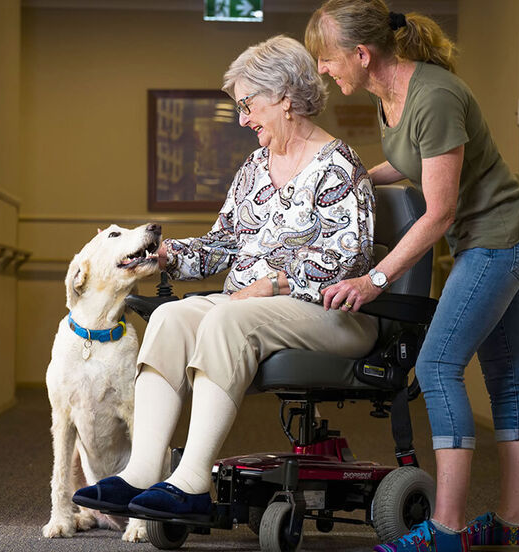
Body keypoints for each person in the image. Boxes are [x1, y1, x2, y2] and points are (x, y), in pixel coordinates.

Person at [72, 35, 378, 520]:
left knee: (226, 321)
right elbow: (226, 244)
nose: (242, 119)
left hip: (330, 314)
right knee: (172, 317)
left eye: (247, 105)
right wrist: (170, 255)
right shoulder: (256, 166)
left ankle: (192, 482)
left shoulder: (338, 167)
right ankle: (144, 472)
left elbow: (349, 260)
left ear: (283, 96)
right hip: (249, 307)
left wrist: (276, 283)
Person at [305, 1, 519, 551]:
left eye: (326, 58)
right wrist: (358, 178)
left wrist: (375, 280)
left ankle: (447, 529)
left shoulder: (432, 96)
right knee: (508, 379)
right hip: (492, 238)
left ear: (362, 55)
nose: (323, 68)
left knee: (437, 364)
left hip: (500, 238)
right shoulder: (390, 96)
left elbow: (438, 212)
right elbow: (417, 161)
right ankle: (515, 523)